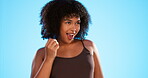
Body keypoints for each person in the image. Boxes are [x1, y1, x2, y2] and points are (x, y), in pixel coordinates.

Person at [30, 0, 103, 78]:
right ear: (56, 23)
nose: (74, 29)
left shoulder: (89, 46)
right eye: (68, 22)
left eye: (77, 23)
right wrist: (49, 58)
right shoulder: (41, 54)